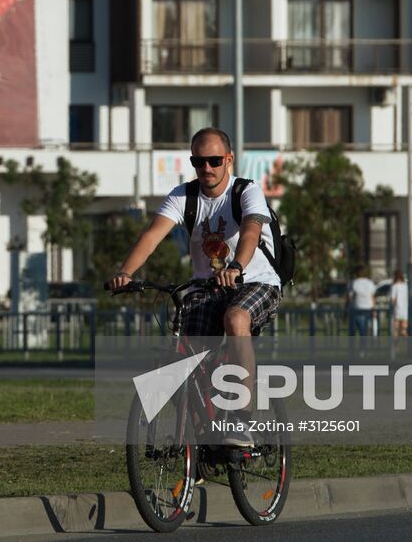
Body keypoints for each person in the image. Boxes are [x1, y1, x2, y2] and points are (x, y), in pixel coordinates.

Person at [108, 127, 282, 445]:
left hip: (256, 282)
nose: (207, 169)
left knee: (236, 319)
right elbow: (151, 237)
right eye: (198, 161)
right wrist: (125, 272)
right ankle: (203, 441)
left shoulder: (246, 191)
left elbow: (250, 233)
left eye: (214, 161)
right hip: (209, 288)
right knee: (180, 361)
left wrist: (237, 266)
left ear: (228, 160)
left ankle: (242, 420)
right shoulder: (184, 196)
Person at [349, 266, 375, 348]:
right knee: (365, 330)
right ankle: (364, 348)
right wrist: (374, 309)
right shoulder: (370, 283)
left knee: (357, 330)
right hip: (368, 308)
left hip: (358, 308)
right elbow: (372, 297)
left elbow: (350, 297)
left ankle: (358, 349)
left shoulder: (354, 283)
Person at [390, 269, 410, 338]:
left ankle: (395, 347)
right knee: (404, 330)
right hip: (405, 310)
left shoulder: (395, 286)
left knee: (396, 330)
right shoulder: (406, 286)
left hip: (397, 310)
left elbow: (393, 300)